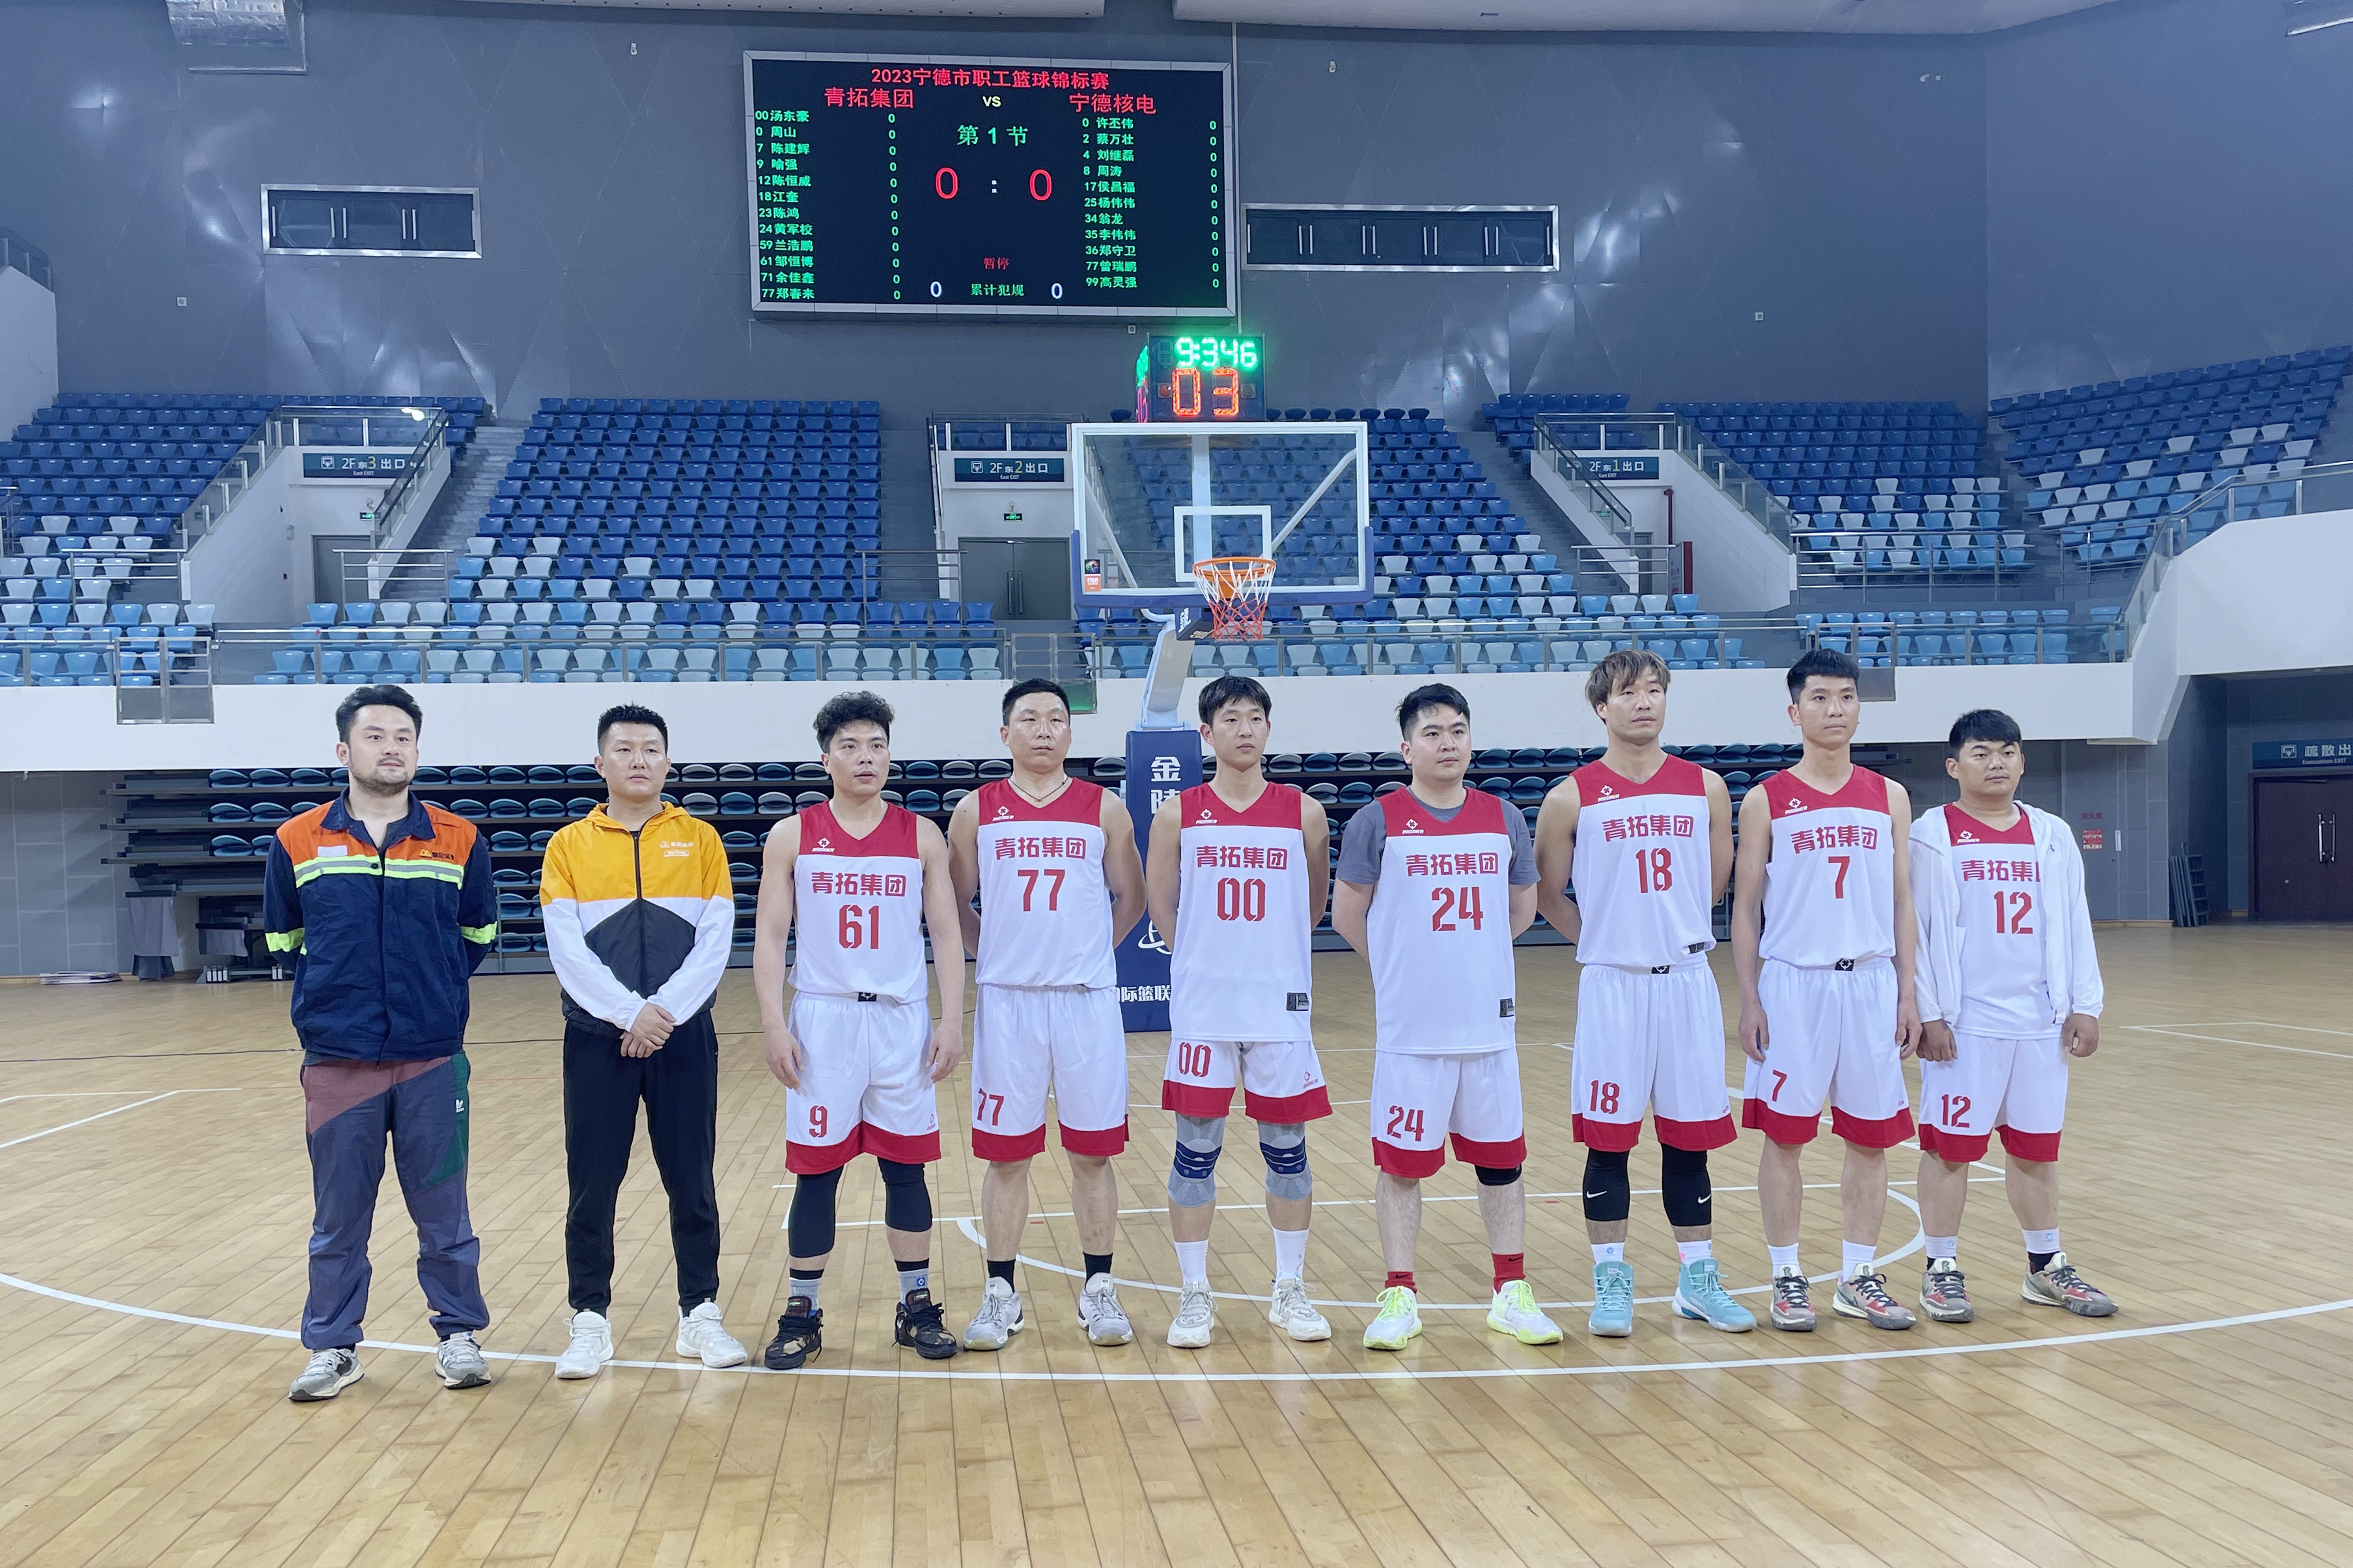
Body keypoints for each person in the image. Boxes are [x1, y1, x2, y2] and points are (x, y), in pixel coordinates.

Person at [262, 685, 499, 1402]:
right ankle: (333, 1347)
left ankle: (459, 1336)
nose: (390, 747)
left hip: (432, 1059)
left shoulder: (460, 838)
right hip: (337, 1063)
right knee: (338, 1220)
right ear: (344, 749)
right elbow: (285, 940)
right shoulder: (297, 839)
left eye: (403, 737)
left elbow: (478, 935)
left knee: (445, 1216)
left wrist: (431, 991)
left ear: (417, 752)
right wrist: (338, 999)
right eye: (375, 736)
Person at [1332, 683, 1561, 1352]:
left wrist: (1471, 959)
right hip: (1412, 1033)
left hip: (1487, 1027)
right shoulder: (1376, 820)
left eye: (1457, 730)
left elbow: (1521, 908)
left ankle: (1510, 1291)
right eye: (1431, 733)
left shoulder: (1503, 817)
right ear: (1407, 748)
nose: (1447, 742)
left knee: (1501, 1165)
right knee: (1402, 1167)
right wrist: (1405, 969)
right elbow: (1348, 914)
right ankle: (1399, 1294)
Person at [1533, 649, 1753, 1339]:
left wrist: (1666, 931)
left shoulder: (1705, 787)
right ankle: (1610, 1281)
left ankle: (1697, 1281)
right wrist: (1602, 939)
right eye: (1628, 692)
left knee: (1690, 1143)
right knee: (1609, 1143)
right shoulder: (1570, 795)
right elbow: (1547, 892)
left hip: (1685, 982)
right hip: (1613, 987)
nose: (1643, 702)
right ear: (1601, 707)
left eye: (1654, 690)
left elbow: (1712, 883)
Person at [753, 691, 967, 1368]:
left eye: (876, 745)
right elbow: (769, 935)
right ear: (826, 759)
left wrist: (951, 1020)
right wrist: (772, 1024)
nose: (865, 757)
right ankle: (802, 1311)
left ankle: (916, 1306)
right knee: (816, 1174)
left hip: (900, 1020)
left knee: (907, 1169)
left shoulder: (920, 835)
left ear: (889, 755)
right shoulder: (792, 835)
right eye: (849, 746)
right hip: (824, 1017)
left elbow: (946, 934)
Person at [540, 704, 746, 1379]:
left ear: (667, 761)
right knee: (591, 1184)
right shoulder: (568, 846)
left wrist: (663, 1015)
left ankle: (700, 1312)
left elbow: (716, 941)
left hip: (682, 1036)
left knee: (692, 1180)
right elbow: (566, 950)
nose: (638, 759)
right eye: (624, 749)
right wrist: (630, 1014)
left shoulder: (702, 840)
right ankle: (589, 1319)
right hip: (595, 1037)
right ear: (600, 763)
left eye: (650, 748)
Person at [947, 678, 1148, 1351]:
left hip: (1085, 1001)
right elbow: (954, 905)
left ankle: (1099, 1289)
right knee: (1007, 1156)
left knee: (1093, 1152)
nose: (1042, 729)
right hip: (1009, 1003)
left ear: (1070, 731)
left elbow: (1130, 899)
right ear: (1005, 733)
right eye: (1028, 718)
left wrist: (1085, 955)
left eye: (1055, 718)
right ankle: (1000, 1294)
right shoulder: (976, 810)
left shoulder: (1104, 807)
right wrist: (994, 954)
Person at [1732, 648, 1923, 1332]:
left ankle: (1856, 1276)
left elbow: (1902, 902)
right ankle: (1786, 1276)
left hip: (1870, 982)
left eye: (1845, 696)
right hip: (1795, 984)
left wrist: (1908, 993)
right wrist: (1750, 998)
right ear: (1794, 711)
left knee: (1870, 1140)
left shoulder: (1889, 796)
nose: (1834, 709)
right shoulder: (1766, 799)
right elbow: (1744, 909)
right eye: (1819, 697)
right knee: (1784, 1139)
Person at [1908, 709, 2116, 1322]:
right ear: (1954, 766)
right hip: (1965, 1024)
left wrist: (2085, 1004)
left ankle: (2045, 1266)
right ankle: (1940, 1268)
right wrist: (1929, 1012)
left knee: (2036, 1150)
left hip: (2040, 1023)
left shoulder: (2052, 833)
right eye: (1981, 753)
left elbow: (2075, 920)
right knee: (1949, 1150)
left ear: (2023, 761)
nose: (1995, 763)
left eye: (2006, 751)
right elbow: (1915, 931)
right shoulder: (1931, 834)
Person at [1146, 674, 1334, 1348]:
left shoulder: (1303, 813)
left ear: (1268, 729)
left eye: (1255, 717)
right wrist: (1205, 961)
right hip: (1206, 1010)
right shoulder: (1178, 814)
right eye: (1230, 718)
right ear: (1207, 732)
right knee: (1194, 1153)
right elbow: (1161, 903)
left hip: (1278, 1009)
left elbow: (1312, 904)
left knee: (1289, 1152)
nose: (1245, 728)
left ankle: (1289, 1286)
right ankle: (1195, 1292)